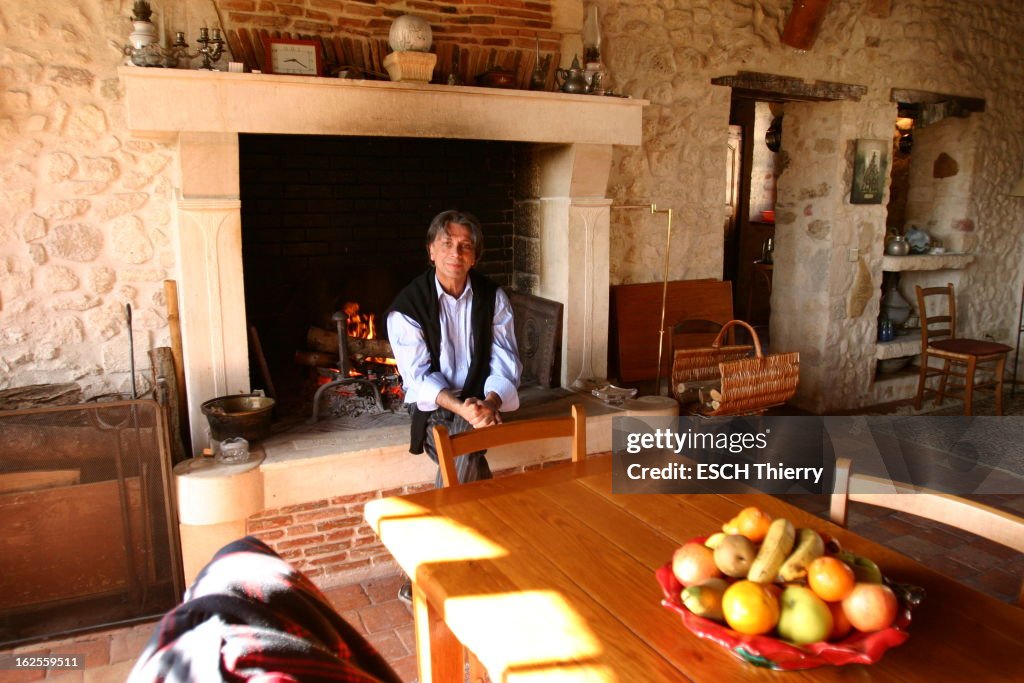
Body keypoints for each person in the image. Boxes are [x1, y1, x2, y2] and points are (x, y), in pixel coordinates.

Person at [387, 209, 522, 488]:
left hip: (481, 400)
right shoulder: (408, 306)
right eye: (447, 244)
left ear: (475, 257)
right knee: (467, 445)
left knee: (460, 446)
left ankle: (449, 523)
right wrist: (463, 410)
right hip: (434, 403)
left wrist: (490, 403)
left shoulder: (493, 298)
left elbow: (505, 360)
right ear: (431, 251)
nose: (456, 254)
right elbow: (418, 378)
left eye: (465, 246)